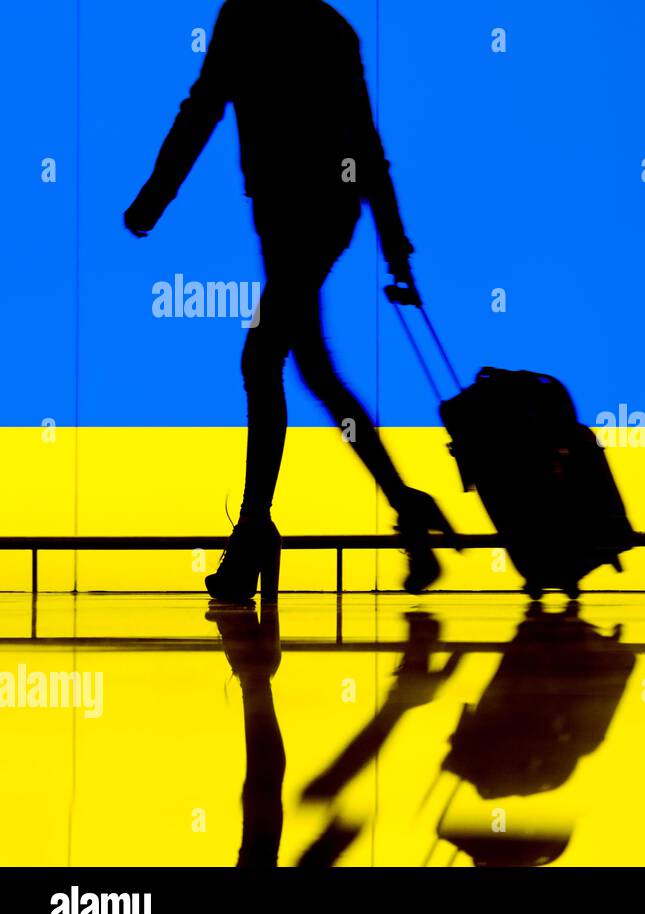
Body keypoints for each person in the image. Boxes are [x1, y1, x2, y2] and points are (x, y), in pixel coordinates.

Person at [124, 0, 449, 602]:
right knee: (315, 372)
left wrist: (156, 195)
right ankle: (408, 508)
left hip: (305, 218)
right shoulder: (329, 28)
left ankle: (253, 533)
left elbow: (203, 109)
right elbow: (365, 142)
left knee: (260, 358)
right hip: (309, 215)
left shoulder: (244, 19)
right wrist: (394, 245)